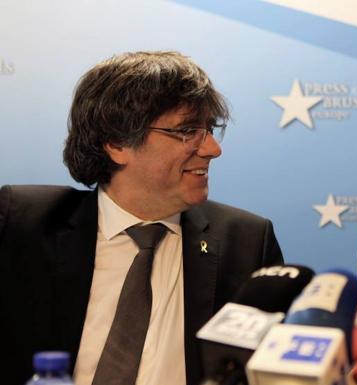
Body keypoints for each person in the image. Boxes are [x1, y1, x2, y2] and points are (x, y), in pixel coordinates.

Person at [0, 51, 283, 385]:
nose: (211, 148)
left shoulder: (246, 242)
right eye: (187, 130)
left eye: (209, 129)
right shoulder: (22, 223)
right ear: (117, 143)